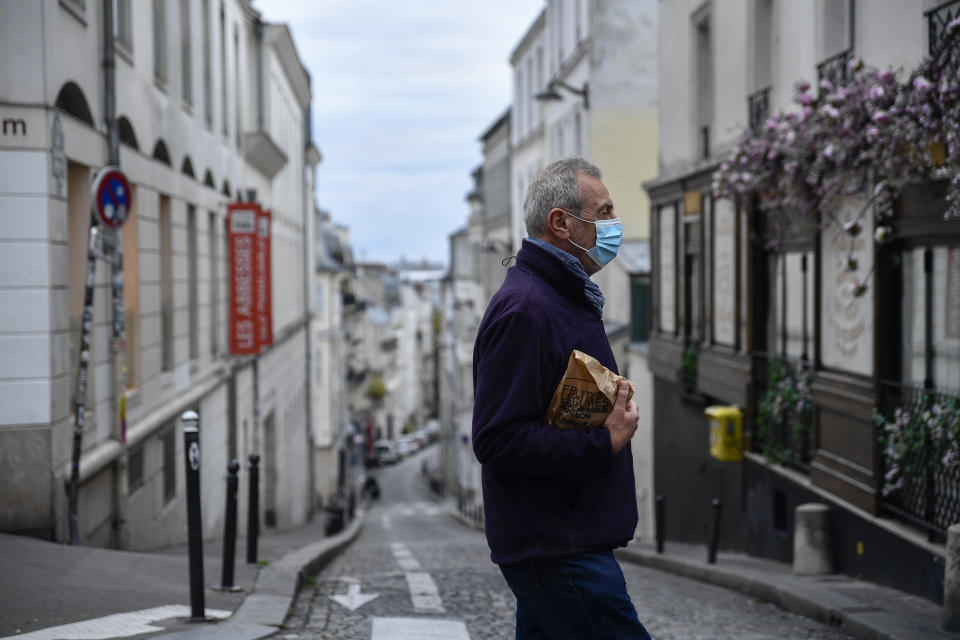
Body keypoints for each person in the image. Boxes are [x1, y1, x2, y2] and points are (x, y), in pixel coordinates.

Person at [472, 157, 651, 640]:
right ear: (561, 222)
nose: (614, 225)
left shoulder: (556, 297)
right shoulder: (528, 310)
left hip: (559, 538)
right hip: (559, 548)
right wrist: (604, 442)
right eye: (604, 211)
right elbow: (497, 438)